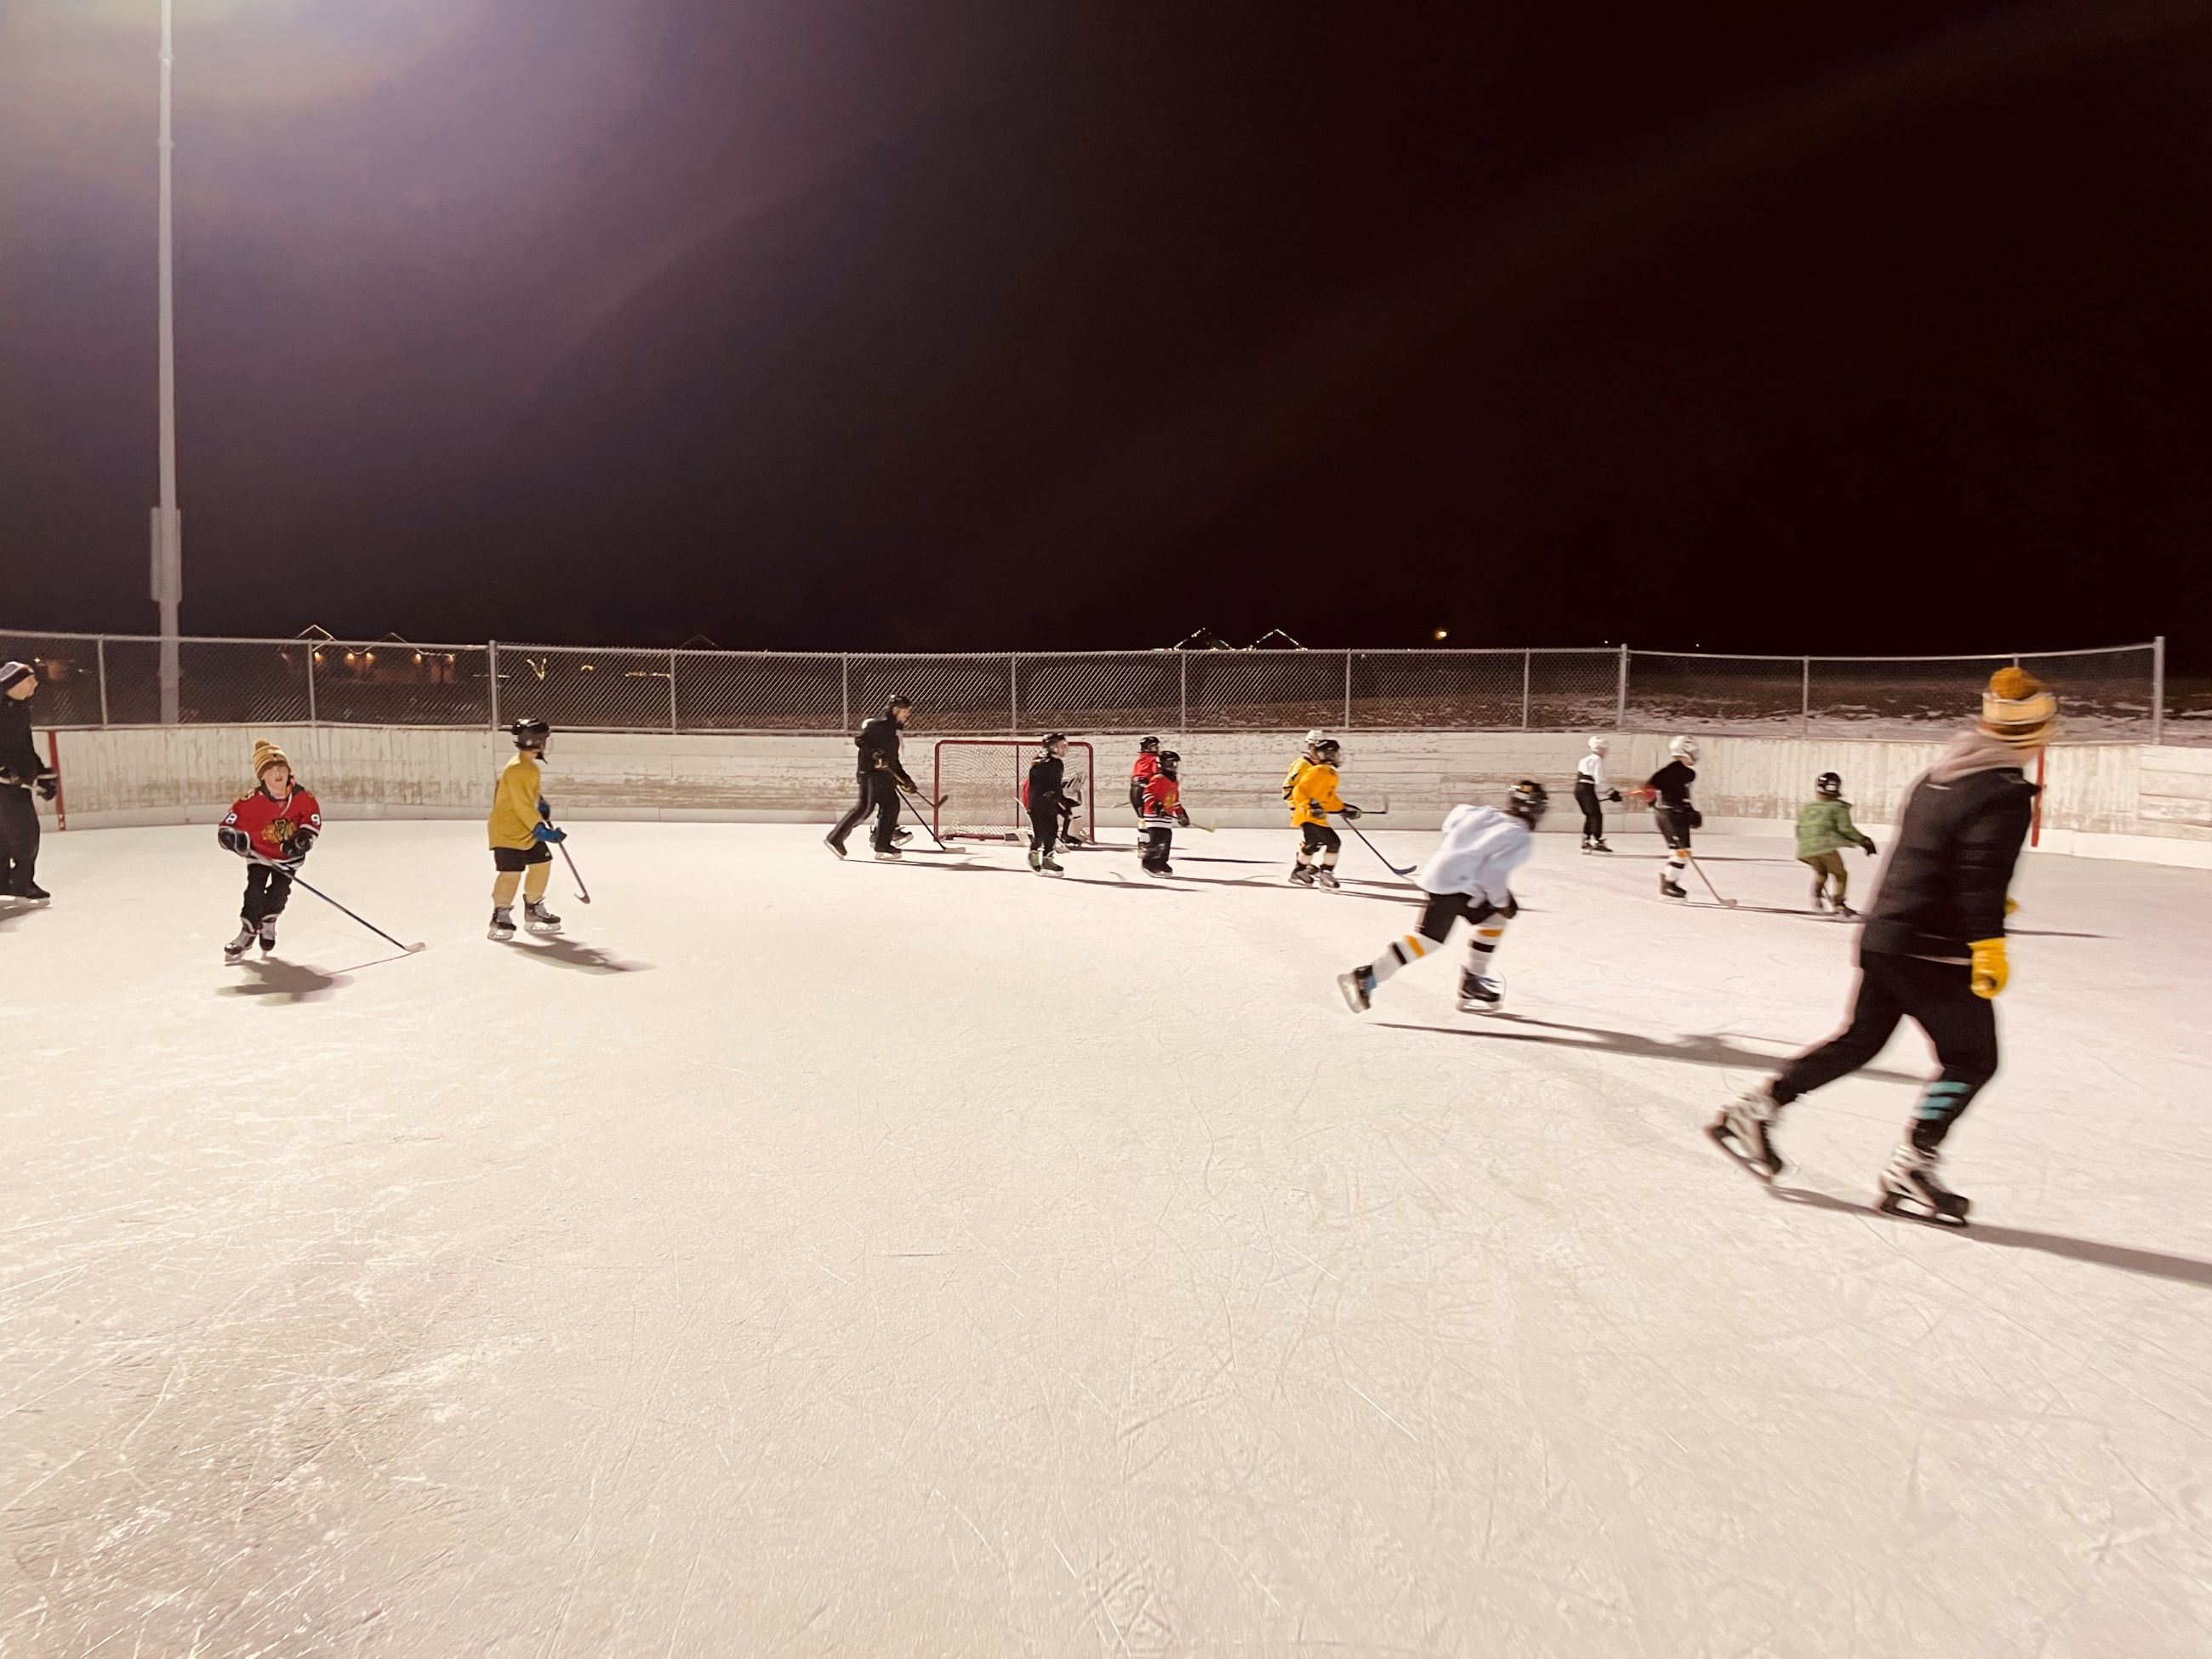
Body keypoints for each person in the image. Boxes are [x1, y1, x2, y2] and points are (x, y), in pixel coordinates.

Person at [1711, 668, 2055, 1227]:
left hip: (1887, 935)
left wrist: (1973, 914)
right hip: (1932, 949)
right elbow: (1978, 877)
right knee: (1971, 1059)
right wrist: (1988, 942)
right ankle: (1913, 1166)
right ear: (2036, 734)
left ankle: (1753, 1112)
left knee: (1861, 1041)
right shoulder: (2004, 792)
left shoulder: (1939, 775)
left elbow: (1927, 859)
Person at [1338, 781, 1547, 1014]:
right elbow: (1492, 875)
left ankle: (1473, 982)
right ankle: (1367, 976)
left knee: (1493, 921)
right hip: (1460, 887)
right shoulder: (1519, 836)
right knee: (1429, 941)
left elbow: (1454, 819)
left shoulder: (1484, 813)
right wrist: (1502, 902)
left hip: (1444, 876)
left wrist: (1461, 854)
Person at [214, 738, 323, 961]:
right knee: (254, 890)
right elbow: (228, 825)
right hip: (260, 855)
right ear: (262, 775)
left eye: (282, 768)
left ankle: (269, 923)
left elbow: (311, 821)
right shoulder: (249, 801)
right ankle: (247, 932)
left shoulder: (303, 797)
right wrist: (230, 837)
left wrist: (302, 839)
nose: (278, 773)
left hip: (288, 859)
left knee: (279, 893)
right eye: (271, 769)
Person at [487, 717, 565, 941]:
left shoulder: (527, 766)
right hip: (508, 830)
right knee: (511, 873)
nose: (546, 744)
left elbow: (525, 797)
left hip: (526, 827)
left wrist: (540, 803)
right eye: (544, 740)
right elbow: (520, 805)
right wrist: (540, 828)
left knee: (542, 863)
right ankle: (501, 914)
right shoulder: (519, 768)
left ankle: (533, 908)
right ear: (537, 742)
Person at [826, 695, 917, 861]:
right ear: (895, 710)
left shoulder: (892, 731)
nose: (907, 715)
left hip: (883, 776)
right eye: (905, 711)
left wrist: (906, 780)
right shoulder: (877, 725)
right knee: (864, 808)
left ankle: (882, 845)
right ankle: (835, 839)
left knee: (891, 805)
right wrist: (874, 753)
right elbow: (860, 740)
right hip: (870, 774)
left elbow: (893, 761)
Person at [0, 662, 59, 903]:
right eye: (30, 680)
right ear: (14, 684)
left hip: (15, 782)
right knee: (26, 833)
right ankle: (20, 882)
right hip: (5, 783)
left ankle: (7, 881)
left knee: (5, 834)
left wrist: (40, 773)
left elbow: (24, 747)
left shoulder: (20, 708)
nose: (35, 684)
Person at [1796, 771, 1878, 916]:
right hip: (1825, 846)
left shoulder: (1810, 807)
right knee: (1840, 873)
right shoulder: (1838, 807)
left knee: (1821, 872)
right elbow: (1845, 828)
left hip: (1806, 847)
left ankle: (1816, 895)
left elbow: (1799, 828)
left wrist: (1806, 844)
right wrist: (1864, 841)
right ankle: (1839, 905)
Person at [1287, 738, 1363, 889]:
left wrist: (1343, 808)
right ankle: (1326, 874)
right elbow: (1299, 791)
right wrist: (1312, 805)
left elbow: (1328, 798)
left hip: (1316, 817)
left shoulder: (1330, 773)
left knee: (1312, 844)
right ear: (1327, 754)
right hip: (1308, 815)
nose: (1337, 756)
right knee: (1334, 842)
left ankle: (1299, 872)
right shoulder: (1317, 771)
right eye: (1334, 753)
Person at [1645, 735, 1702, 899]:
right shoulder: (1672, 770)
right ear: (1684, 752)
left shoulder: (1687, 773)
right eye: (1693, 751)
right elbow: (1651, 785)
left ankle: (1670, 881)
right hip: (1669, 815)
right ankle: (1668, 885)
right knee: (1681, 852)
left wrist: (1690, 811)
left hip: (1677, 814)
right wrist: (1654, 801)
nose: (1696, 755)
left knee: (1682, 852)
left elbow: (1683, 795)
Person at [1025, 733, 1075, 875]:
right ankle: (1033, 857)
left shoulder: (1058, 763)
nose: (1064, 748)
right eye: (1060, 746)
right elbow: (1038, 786)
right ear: (1052, 747)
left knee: (1052, 832)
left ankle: (1047, 860)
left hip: (1051, 803)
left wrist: (1063, 801)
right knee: (1040, 833)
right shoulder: (1041, 764)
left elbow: (1056, 786)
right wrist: (1051, 797)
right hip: (1038, 803)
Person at [1139, 750, 1189, 875]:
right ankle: (1149, 863)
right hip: (1154, 817)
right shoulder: (1158, 778)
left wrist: (1181, 814)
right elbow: (1147, 794)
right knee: (1155, 840)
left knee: (1166, 839)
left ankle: (1162, 862)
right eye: (1171, 764)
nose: (1174, 767)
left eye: (1176, 764)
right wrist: (1156, 805)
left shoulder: (1174, 782)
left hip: (1166, 819)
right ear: (1162, 764)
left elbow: (1174, 800)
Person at [1573, 736, 1621, 852]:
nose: (1606, 752)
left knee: (1590, 814)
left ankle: (1586, 841)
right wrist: (1611, 792)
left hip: (1579, 789)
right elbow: (1599, 780)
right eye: (1605, 749)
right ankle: (1597, 841)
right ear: (1601, 749)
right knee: (1596, 815)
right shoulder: (1597, 760)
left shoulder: (1584, 760)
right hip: (1587, 789)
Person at [1282, 729, 1327, 808]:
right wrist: (1303, 805)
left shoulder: (1321, 766)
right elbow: (1287, 791)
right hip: (1302, 813)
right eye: (1317, 747)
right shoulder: (1302, 765)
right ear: (1310, 746)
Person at [1128, 736, 1163, 827]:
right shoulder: (1155, 759)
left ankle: (1142, 839)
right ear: (1148, 747)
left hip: (1134, 788)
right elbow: (1157, 775)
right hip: (1145, 787)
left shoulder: (1141, 758)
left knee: (1142, 817)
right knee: (1150, 816)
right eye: (1155, 746)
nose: (1158, 748)